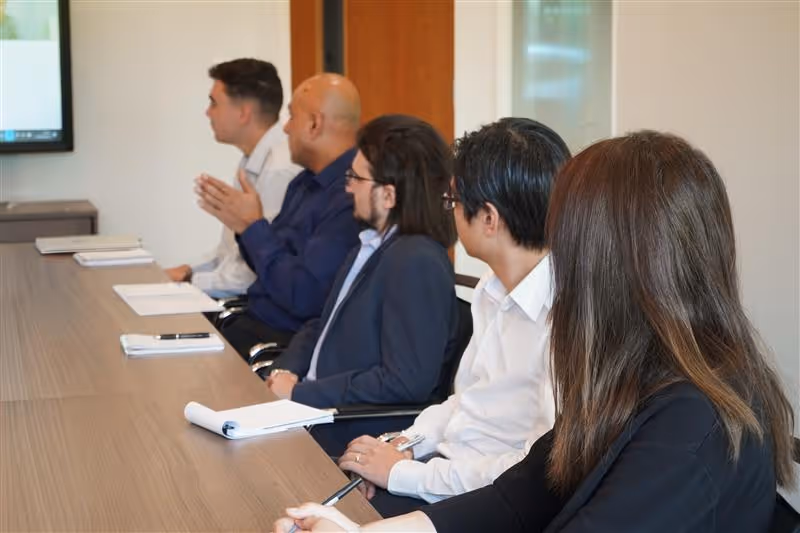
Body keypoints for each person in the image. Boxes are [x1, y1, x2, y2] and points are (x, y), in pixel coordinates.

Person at [274, 131, 795, 532]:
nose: (555, 259)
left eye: (565, 237)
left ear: (611, 262)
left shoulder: (689, 424)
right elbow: (521, 494)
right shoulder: (634, 374)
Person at [336, 118, 571, 518]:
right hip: (443, 474)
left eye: (454, 202)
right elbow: (466, 401)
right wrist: (404, 443)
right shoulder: (491, 289)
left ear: (490, 219)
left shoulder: (564, 317)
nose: (451, 213)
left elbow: (538, 472)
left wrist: (406, 475)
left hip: (489, 504)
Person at [264, 114, 460, 453]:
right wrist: (283, 372)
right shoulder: (371, 245)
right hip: (310, 412)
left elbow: (405, 381)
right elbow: (322, 326)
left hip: (346, 429)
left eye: (356, 177)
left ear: (388, 195)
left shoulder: (416, 260)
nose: (347, 187)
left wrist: (300, 394)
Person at [196, 73, 362, 351]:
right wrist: (246, 228)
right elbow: (270, 266)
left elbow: (303, 296)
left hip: (281, 343)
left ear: (314, 124)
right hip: (251, 321)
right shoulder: (303, 183)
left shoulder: (349, 196)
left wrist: (253, 227)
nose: (285, 129)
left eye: (291, 117)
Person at [166, 58, 301, 298]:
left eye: (214, 103)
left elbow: (255, 270)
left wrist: (191, 281)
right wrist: (188, 270)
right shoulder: (251, 160)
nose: (207, 112)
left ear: (243, 113)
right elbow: (230, 252)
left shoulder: (279, 170)